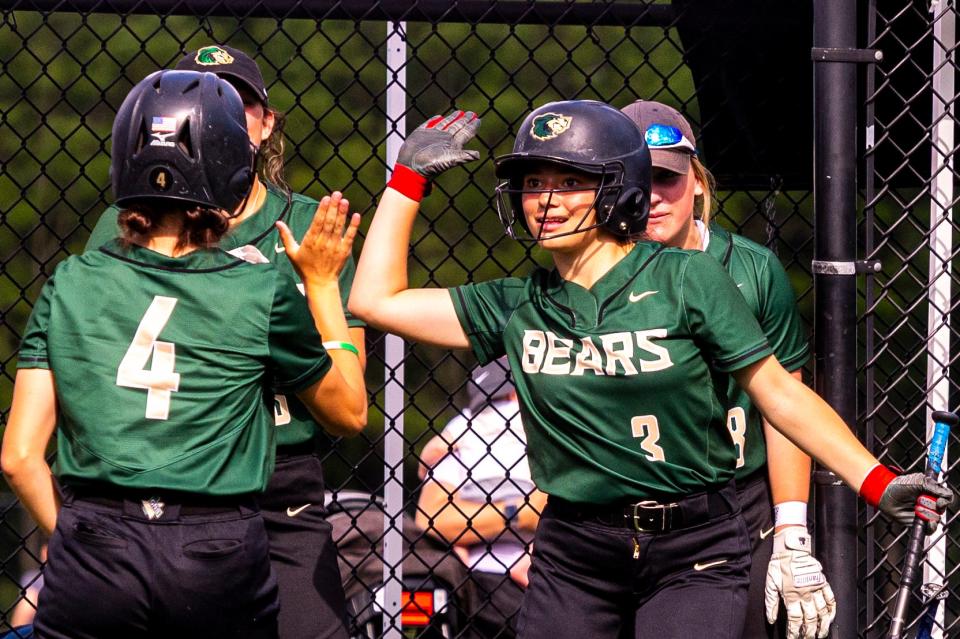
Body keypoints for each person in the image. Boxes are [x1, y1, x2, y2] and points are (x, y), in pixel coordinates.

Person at [343, 99, 953, 639]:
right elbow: (374, 302)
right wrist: (406, 181)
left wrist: (876, 481)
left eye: (570, 181)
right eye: (533, 182)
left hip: (697, 546)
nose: (546, 201)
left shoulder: (689, 279)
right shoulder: (518, 303)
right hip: (574, 549)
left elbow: (779, 395)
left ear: (619, 192)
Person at [1, 69, 366, 639]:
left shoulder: (70, 280)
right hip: (215, 541)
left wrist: (74, 539)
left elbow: (19, 457)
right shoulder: (256, 287)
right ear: (230, 169)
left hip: (96, 540)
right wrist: (321, 286)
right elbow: (349, 414)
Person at [620, 99, 830, 639]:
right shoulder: (594, 274)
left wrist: (791, 531)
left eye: (666, 178)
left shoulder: (753, 271)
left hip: (742, 500)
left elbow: (783, 405)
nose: (651, 197)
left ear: (697, 182)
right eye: (634, 178)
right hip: (629, 505)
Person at [416, 357, 547, 638]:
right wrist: (520, 514)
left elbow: (432, 455)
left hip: (478, 501)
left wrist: (429, 455)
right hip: (523, 491)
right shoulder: (538, 420)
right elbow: (431, 518)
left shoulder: (467, 422)